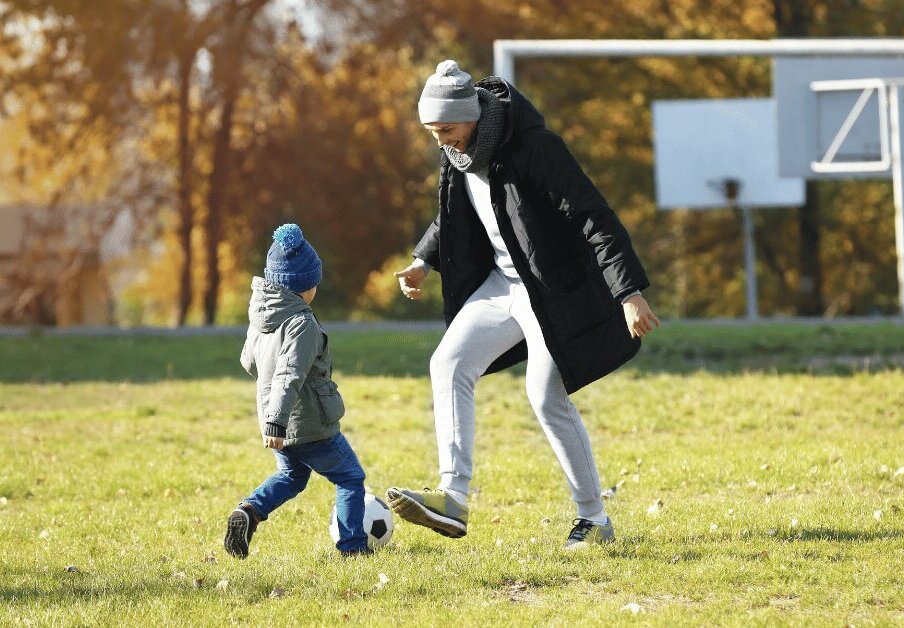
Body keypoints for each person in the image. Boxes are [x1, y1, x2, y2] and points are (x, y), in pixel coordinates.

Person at [386, 60, 660, 550]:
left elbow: (593, 217)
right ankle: (452, 496)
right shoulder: (460, 152)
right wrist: (422, 262)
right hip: (500, 286)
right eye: (431, 131)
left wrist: (629, 292)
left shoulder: (536, 149)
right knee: (448, 362)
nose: (439, 140)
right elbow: (451, 214)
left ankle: (594, 519)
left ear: (471, 115)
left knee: (544, 395)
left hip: (550, 291)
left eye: (445, 128)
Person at [225, 223, 370, 559]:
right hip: (307, 423)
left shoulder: (261, 317)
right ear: (303, 286)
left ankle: (249, 511)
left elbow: (249, 362)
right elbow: (290, 373)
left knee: (292, 476)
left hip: (278, 425)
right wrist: (278, 418)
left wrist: (273, 419)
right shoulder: (301, 322)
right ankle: (353, 548)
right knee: (350, 478)